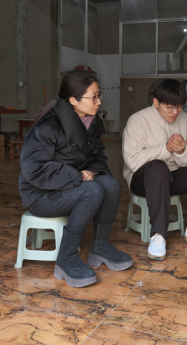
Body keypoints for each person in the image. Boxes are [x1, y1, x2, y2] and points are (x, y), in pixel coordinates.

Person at [19, 71, 132, 288]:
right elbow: (35, 168)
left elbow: (98, 156)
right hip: (40, 195)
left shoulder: (90, 123)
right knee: (92, 191)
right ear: (73, 100)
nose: (99, 102)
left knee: (110, 185)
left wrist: (93, 172)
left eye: (99, 95)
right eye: (93, 97)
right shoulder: (48, 127)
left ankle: (100, 246)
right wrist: (78, 176)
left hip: (70, 188)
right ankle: (66, 257)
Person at [122, 79, 187, 261]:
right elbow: (132, 161)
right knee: (158, 167)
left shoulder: (186, 120)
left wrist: (182, 151)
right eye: (169, 107)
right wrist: (166, 148)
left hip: (174, 176)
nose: (175, 112)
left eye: (179, 107)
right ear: (156, 103)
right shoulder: (138, 120)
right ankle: (158, 235)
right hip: (143, 178)